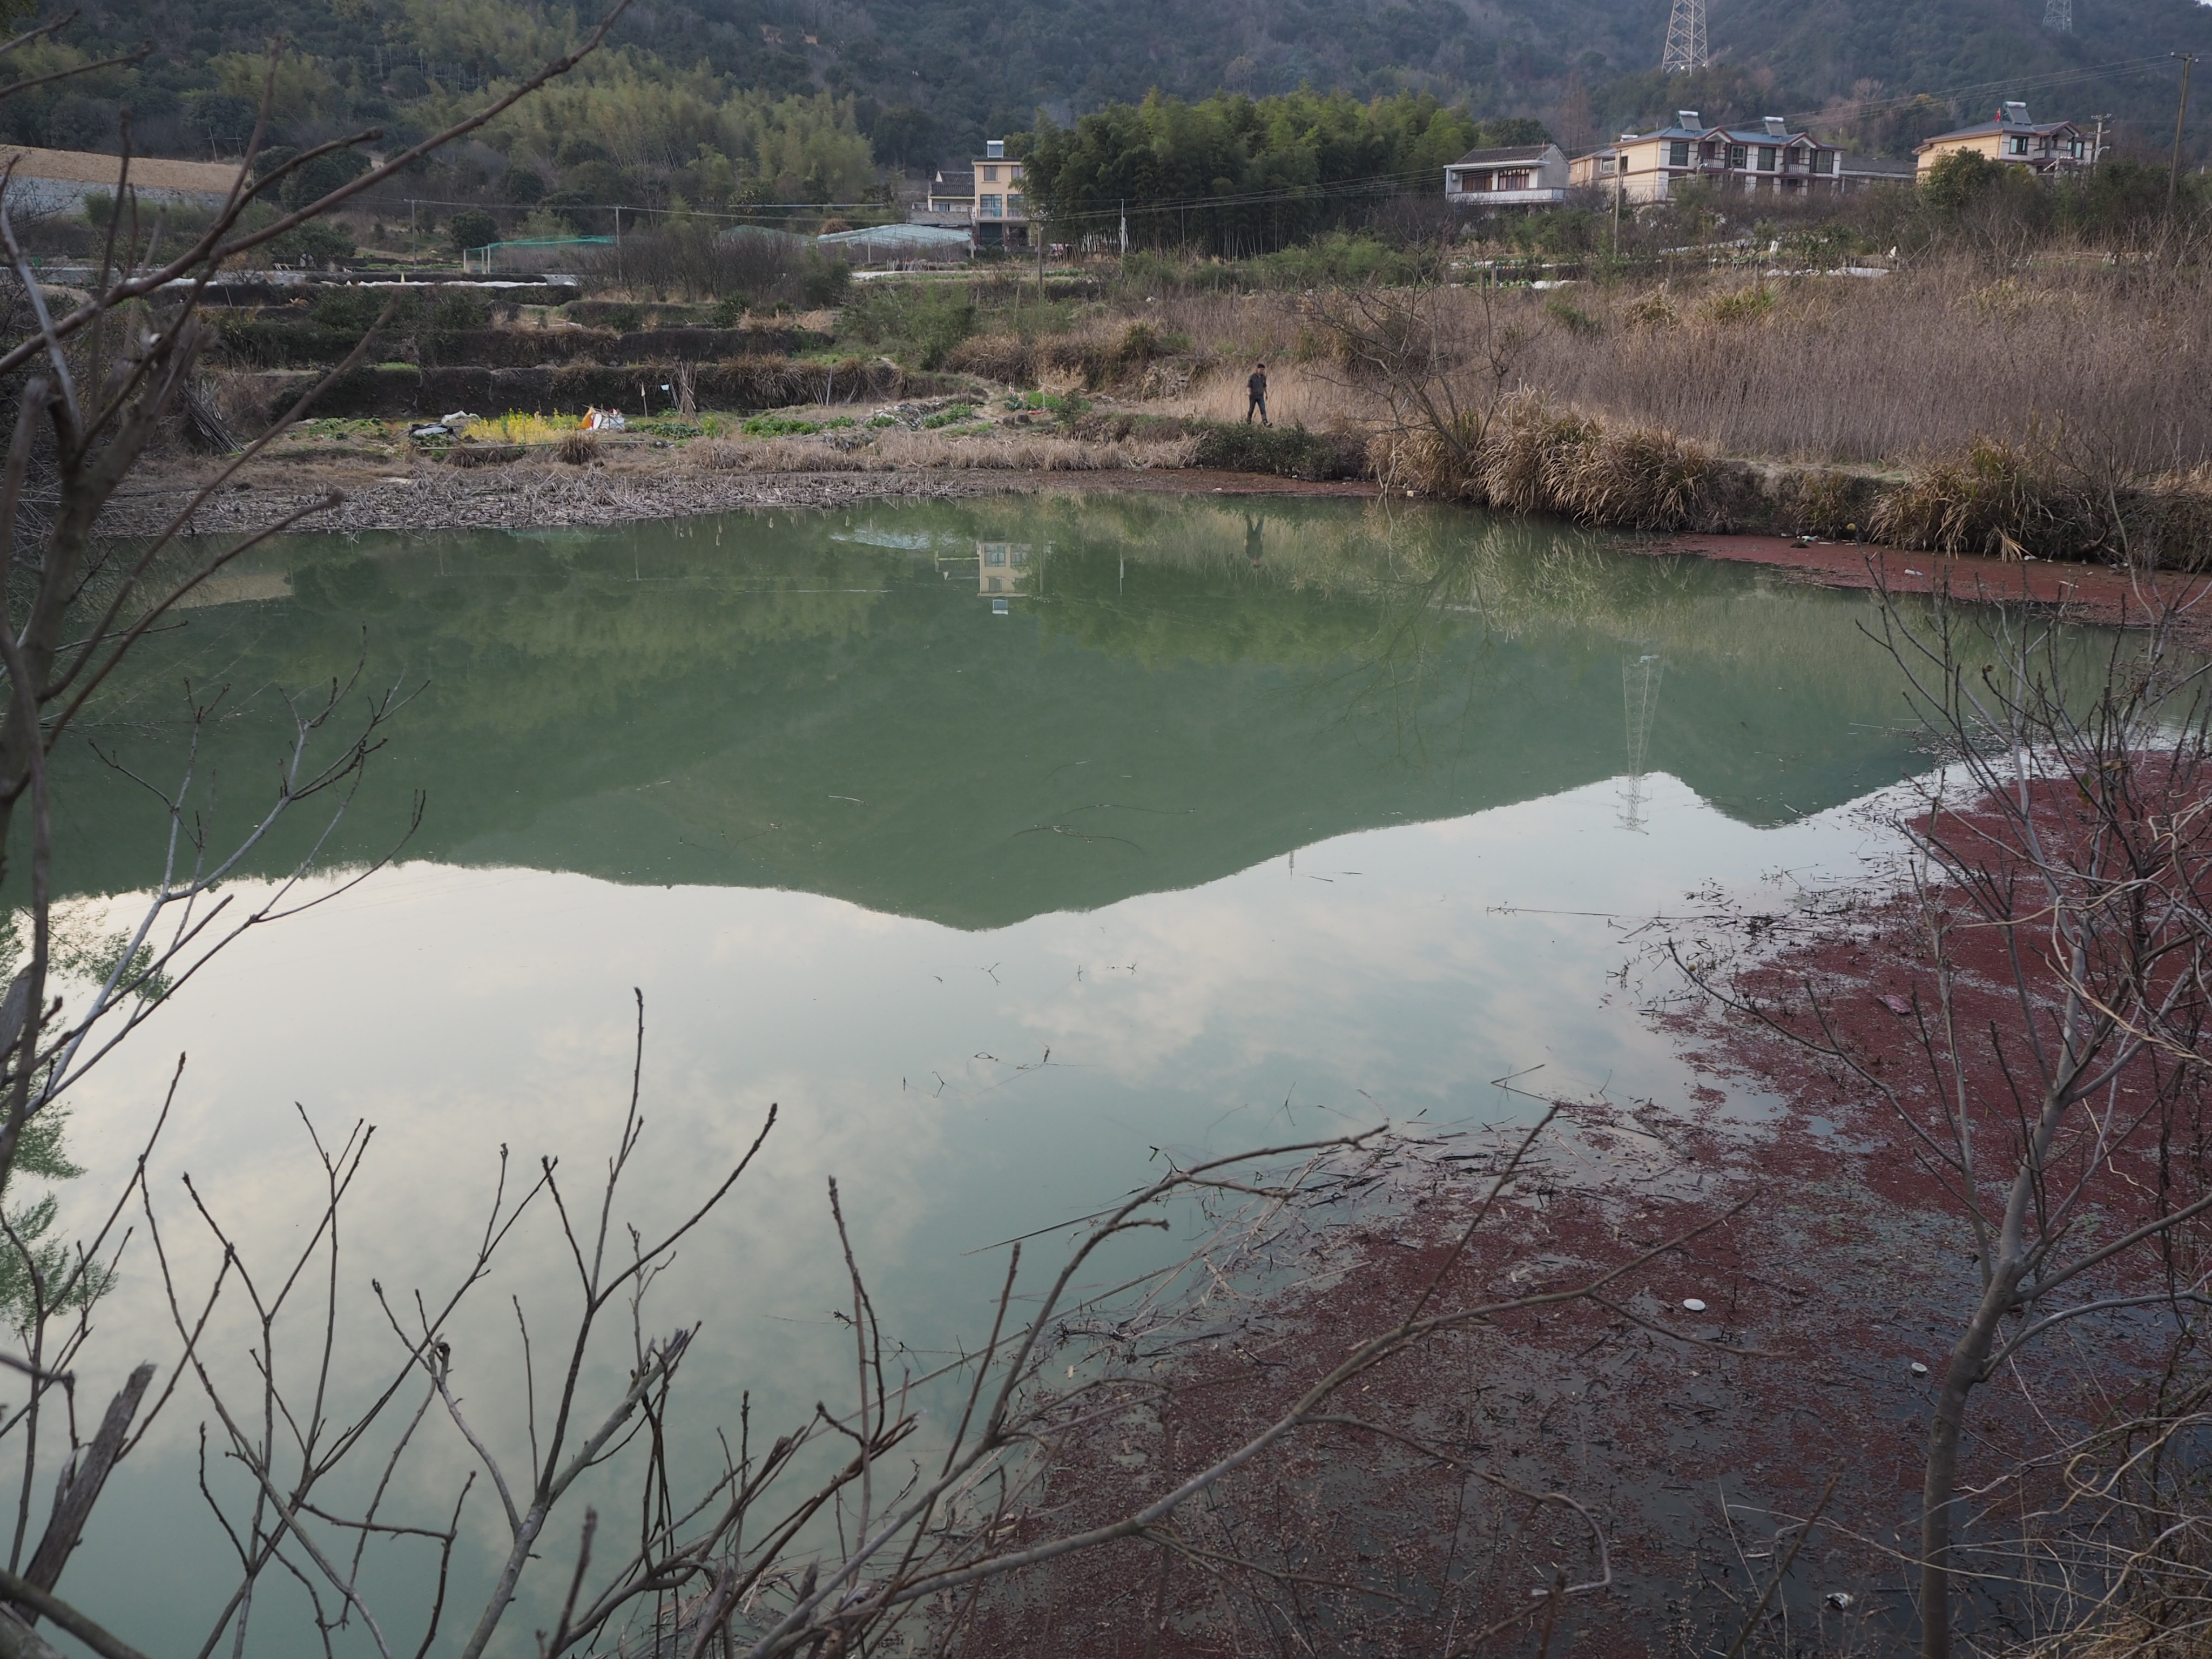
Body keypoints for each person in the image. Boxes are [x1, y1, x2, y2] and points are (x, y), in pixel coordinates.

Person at [1245, 362, 1269, 426]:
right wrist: (1249, 392)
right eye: (1261, 370)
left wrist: (1266, 394)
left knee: (1263, 409)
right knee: (1251, 410)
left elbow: (1264, 386)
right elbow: (1249, 386)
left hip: (1261, 396)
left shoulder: (1264, 377)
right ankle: (1248, 422)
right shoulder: (1252, 377)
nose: (1262, 371)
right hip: (1253, 396)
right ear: (1257, 369)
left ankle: (1266, 423)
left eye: (1263, 370)